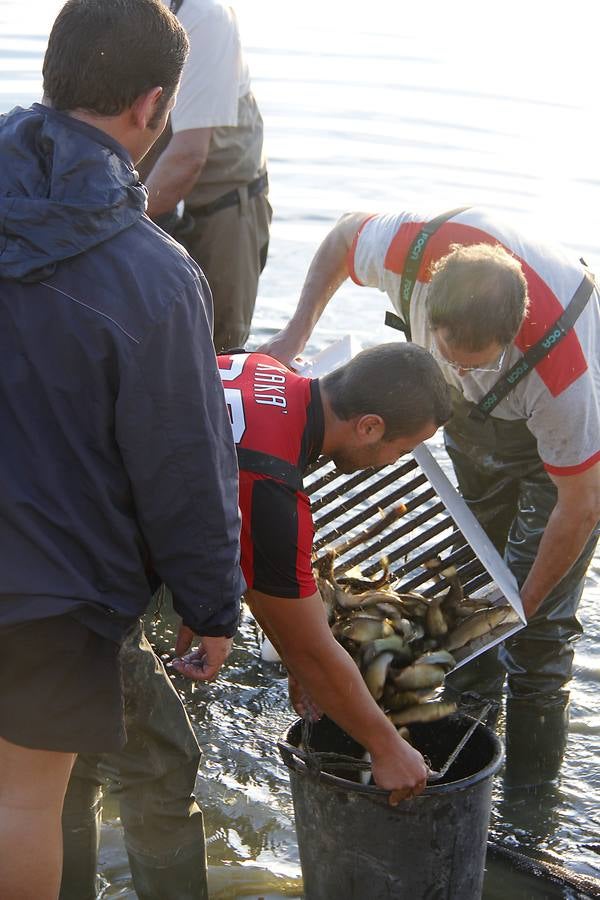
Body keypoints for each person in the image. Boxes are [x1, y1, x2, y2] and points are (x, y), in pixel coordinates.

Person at [0, 2, 244, 899]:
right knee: (22, 803)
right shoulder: (159, 276)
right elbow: (183, 464)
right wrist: (213, 606)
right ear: (152, 106)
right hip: (51, 591)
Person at [259, 206, 600, 789]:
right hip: (482, 424)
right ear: (428, 307)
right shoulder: (411, 255)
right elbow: (343, 236)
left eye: (480, 364)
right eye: (448, 358)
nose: (463, 376)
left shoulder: (565, 377)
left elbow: (581, 505)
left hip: (570, 451)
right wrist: (296, 333)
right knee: (470, 592)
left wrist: (521, 610)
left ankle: (526, 805)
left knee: (537, 635)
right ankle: (464, 758)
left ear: (512, 334)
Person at [175, 343, 453, 803]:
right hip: (67, 550)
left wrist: (291, 652)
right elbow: (313, 648)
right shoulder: (271, 487)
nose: (396, 463)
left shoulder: (259, 366)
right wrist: (387, 749)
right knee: (164, 768)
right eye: (402, 450)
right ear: (368, 426)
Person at [137, 0, 271, 353]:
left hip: (224, 205)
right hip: (149, 194)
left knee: (217, 352)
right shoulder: (112, 13)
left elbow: (188, 158)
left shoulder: (205, 17)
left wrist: (110, 223)